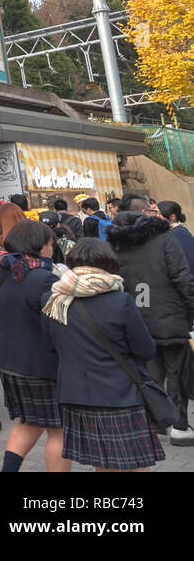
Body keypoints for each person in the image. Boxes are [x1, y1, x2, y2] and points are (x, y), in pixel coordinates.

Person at [41, 239, 165, 472]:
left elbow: (50, 346)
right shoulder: (121, 301)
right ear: (108, 264)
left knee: (104, 463)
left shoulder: (54, 301)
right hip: (119, 395)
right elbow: (146, 350)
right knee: (136, 463)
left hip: (75, 395)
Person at [106, 210, 194, 446]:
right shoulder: (164, 238)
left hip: (136, 317)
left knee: (149, 372)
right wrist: (191, 307)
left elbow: (115, 283)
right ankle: (179, 425)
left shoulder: (116, 246)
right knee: (176, 373)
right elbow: (182, 277)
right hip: (170, 316)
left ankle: (156, 422)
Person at [0, 220, 69, 472]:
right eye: (50, 243)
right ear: (39, 244)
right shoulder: (44, 279)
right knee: (59, 429)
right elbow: (57, 326)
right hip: (41, 366)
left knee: (28, 422)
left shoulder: (3, 271)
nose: (52, 248)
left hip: (9, 363)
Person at [157, 201, 194, 272]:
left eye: (159, 214)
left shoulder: (178, 234)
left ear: (172, 217)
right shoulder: (178, 231)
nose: (156, 216)